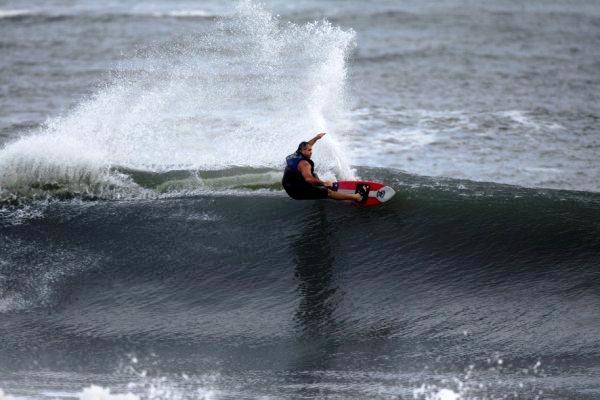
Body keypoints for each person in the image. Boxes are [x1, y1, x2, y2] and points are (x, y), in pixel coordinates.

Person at [282, 132, 365, 202]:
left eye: (311, 150)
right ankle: (356, 197)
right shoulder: (304, 164)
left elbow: (308, 145)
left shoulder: (297, 153)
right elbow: (308, 179)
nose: (311, 152)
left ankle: (321, 189)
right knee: (328, 193)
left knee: (314, 175)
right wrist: (324, 183)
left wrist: (316, 138)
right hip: (296, 191)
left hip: (290, 184)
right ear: (302, 150)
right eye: (308, 150)